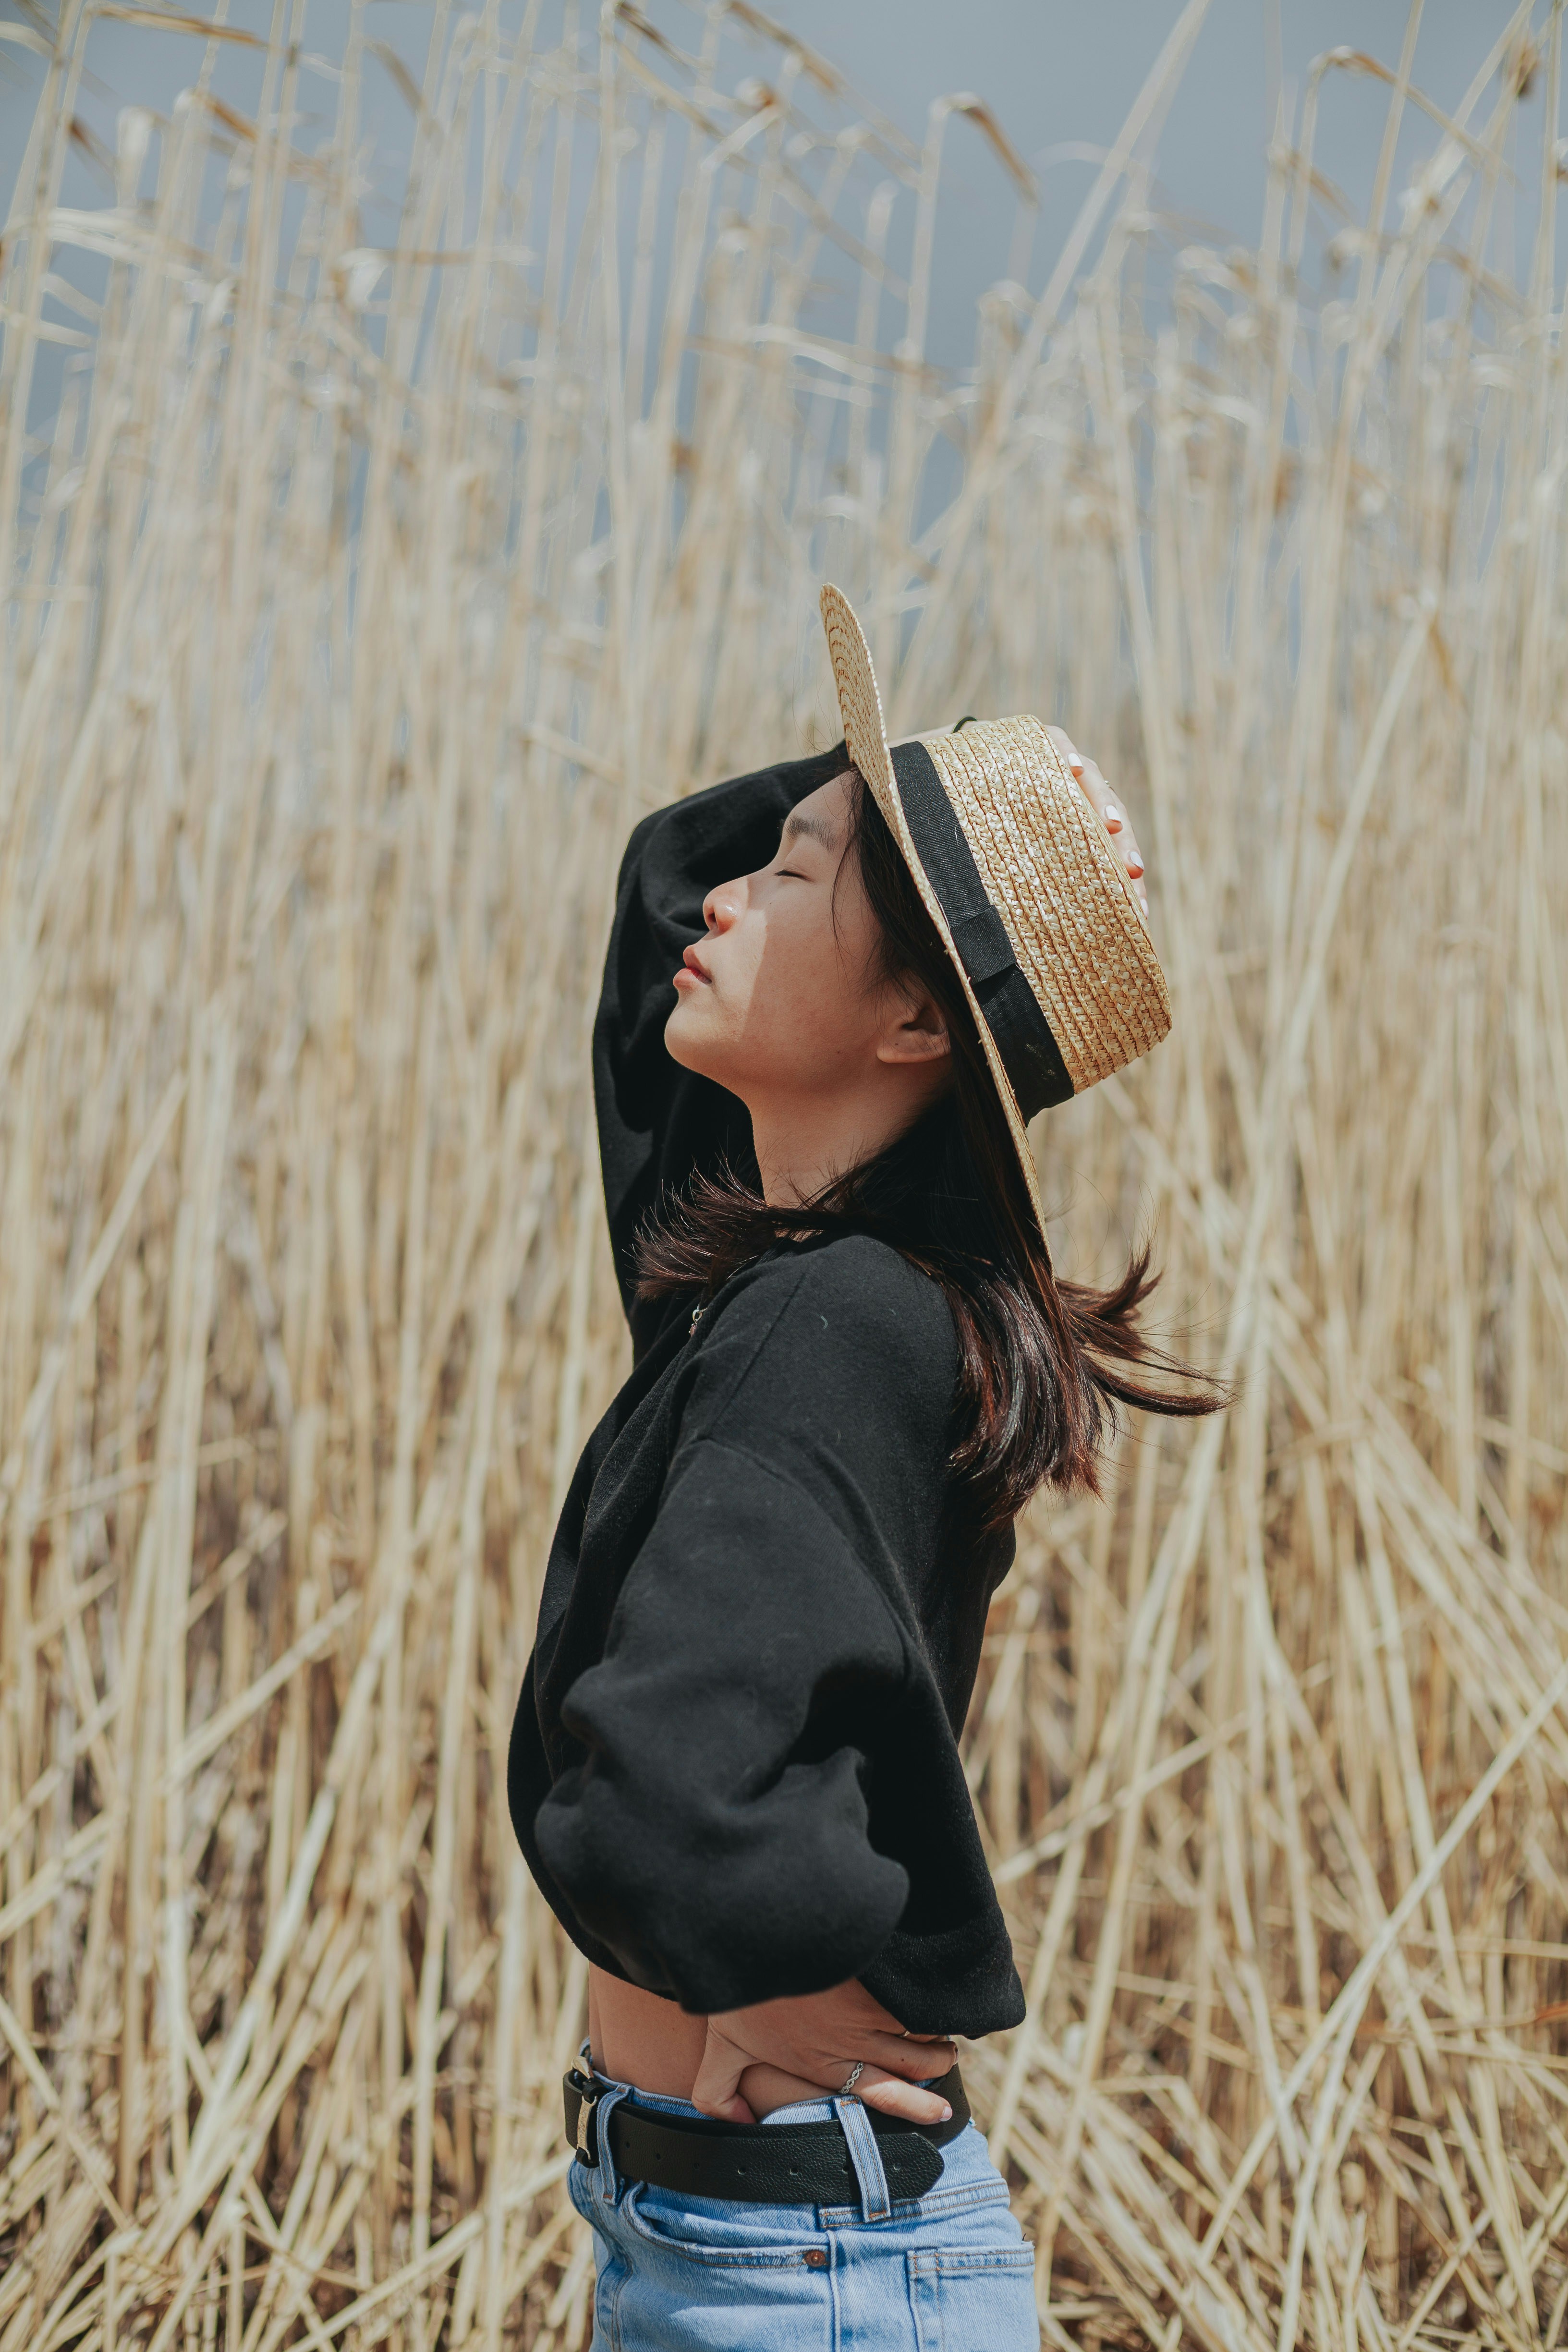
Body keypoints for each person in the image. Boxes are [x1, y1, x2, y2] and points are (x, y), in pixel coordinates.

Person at [507, 587, 1226, 2349]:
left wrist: (768, 1953)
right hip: (742, 2241)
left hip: (795, 2273)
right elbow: (663, 884)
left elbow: (669, 1766)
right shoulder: (793, 1278)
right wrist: (926, 811)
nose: (732, 889)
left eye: (805, 870)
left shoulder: (824, 1323)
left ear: (917, 1026)